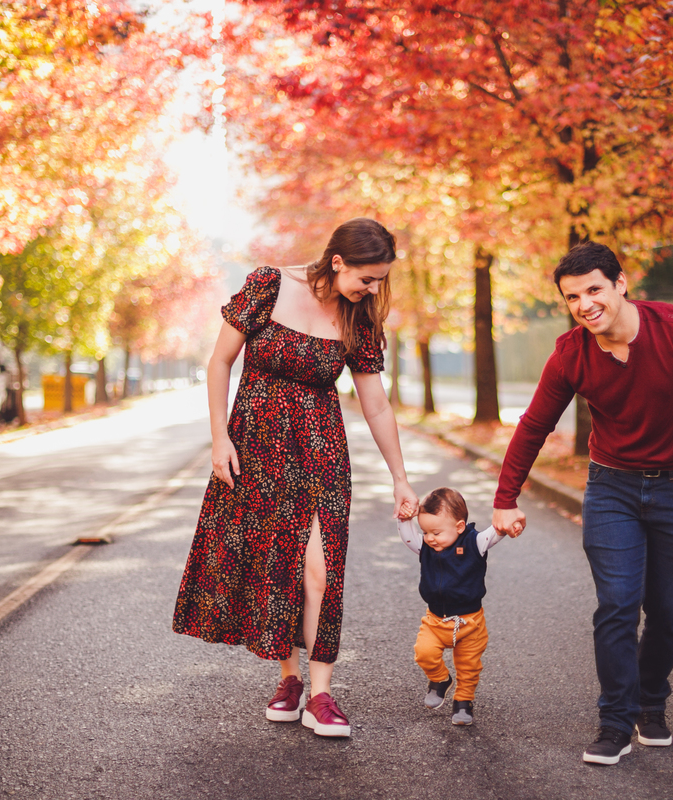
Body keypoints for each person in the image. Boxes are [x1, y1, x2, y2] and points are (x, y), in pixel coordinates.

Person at [490, 241, 673, 765]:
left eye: (593, 290)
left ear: (620, 284)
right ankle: (614, 721)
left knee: (671, 610)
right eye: (572, 297)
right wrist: (505, 498)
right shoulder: (571, 354)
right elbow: (534, 427)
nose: (585, 304)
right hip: (612, 488)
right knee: (617, 604)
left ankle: (650, 703)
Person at [173, 217, 419, 739]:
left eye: (378, 281)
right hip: (256, 452)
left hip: (321, 455)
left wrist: (401, 478)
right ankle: (289, 680)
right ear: (338, 262)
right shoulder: (269, 284)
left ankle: (322, 694)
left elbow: (375, 403)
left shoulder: (359, 318)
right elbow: (220, 363)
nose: (373, 290)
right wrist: (220, 438)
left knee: (320, 571)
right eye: (368, 278)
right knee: (273, 566)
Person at [397, 487, 506, 726]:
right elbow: (409, 537)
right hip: (435, 620)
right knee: (424, 652)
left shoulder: (474, 543)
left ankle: (464, 702)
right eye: (425, 531)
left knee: (469, 666)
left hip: (470, 622)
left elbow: (495, 533)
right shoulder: (426, 546)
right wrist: (405, 519)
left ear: (458, 527)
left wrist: (508, 524)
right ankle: (440, 679)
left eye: (436, 532)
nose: (430, 537)